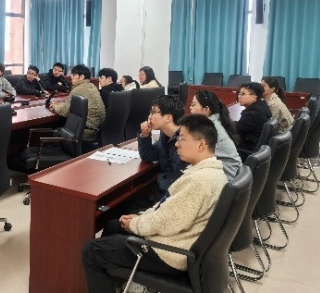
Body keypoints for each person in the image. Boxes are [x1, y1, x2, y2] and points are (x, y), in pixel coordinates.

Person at [82, 115, 227, 293]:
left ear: (201, 145)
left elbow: (166, 222)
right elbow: (167, 208)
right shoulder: (212, 172)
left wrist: (135, 224)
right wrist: (140, 217)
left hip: (169, 253)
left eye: (182, 139)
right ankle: (116, 283)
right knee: (113, 225)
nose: (176, 144)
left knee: (91, 250)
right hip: (179, 240)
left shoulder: (199, 181)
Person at [134, 95, 187, 209]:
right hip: (162, 192)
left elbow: (179, 183)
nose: (149, 117)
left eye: (153, 112)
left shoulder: (185, 141)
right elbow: (148, 156)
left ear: (168, 118)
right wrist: (145, 135)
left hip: (172, 200)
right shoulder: (165, 135)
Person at [190, 90, 242, 180]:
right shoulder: (216, 120)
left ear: (206, 110)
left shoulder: (209, 128)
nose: (190, 108)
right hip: (235, 174)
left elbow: (194, 155)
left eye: (194, 104)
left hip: (227, 177)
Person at [50, 64, 105, 142]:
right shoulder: (92, 87)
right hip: (95, 131)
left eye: (74, 75)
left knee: (55, 129)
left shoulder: (78, 89)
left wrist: (54, 106)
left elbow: (64, 112)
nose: (71, 77)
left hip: (83, 133)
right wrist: (60, 105)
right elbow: (73, 106)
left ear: (81, 77)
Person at [236, 82, 272, 154]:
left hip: (249, 152)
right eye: (239, 94)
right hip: (260, 150)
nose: (239, 97)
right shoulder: (261, 106)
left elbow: (235, 129)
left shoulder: (253, 114)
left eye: (243, 94)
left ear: (254, 97)